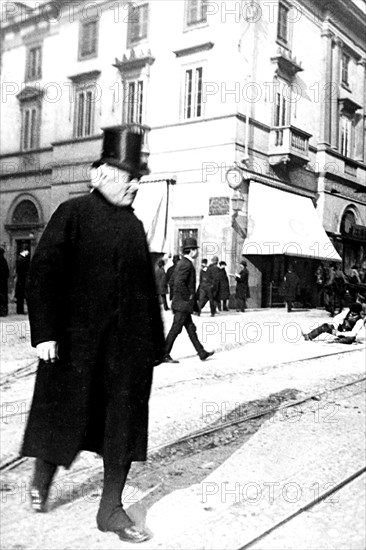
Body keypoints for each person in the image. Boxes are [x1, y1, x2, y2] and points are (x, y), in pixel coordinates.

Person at [21, 126, 165, 544]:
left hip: (125, 353)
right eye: (127, 175)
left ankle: (111, 510)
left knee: (122, 428)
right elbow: (42, 275)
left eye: (138, 177)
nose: (135, 184)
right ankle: (41, 480)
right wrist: (44, 333)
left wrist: (154, 347)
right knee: (62, 418)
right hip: (74, 346)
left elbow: (144, 291)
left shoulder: (135, 226)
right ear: (99, 174)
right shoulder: (72, 213)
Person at [163, 238, 214, 363]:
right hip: (182, 304)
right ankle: (163, 354)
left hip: (182, 304)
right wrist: (189, 297)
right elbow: (178, 282)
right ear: (191, 251)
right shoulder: (186, 264)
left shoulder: (182, 263)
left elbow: (173, 281)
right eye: (195, 249)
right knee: (175, 329)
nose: (197, 252)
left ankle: (201, 352)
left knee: (191, 329)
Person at [15, 247, 30, 314]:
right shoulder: (21, 259)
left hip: (20, 279)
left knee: (20, 296)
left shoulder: (20, 258)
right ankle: (20, 310)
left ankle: (20, 310)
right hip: (22, 279)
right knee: (20, 295)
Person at [0, 247, 9, 317]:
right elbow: (7, 272)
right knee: (3, 297)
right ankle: (3, 311)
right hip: (3, 282)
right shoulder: (3, 260)